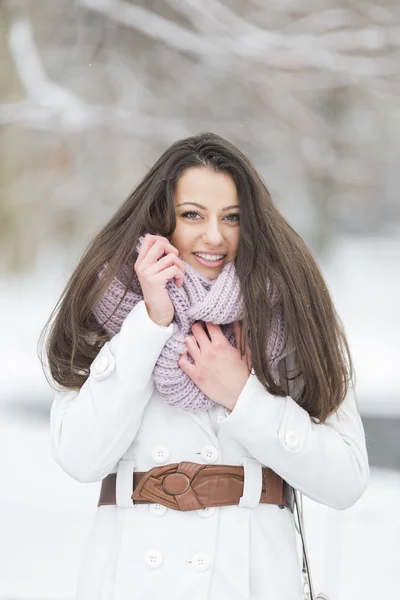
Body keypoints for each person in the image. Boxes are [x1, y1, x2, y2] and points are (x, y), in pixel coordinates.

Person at [41, 132, 369, 600]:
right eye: (192, 215)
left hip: (253, 578)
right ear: (162, 218)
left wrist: (243, 395)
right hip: (132, 578)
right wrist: (150, 324)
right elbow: (79, 456)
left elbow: (346, 480)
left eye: (231, 218)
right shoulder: (108, 307)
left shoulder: (293, 311)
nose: (213, 236)